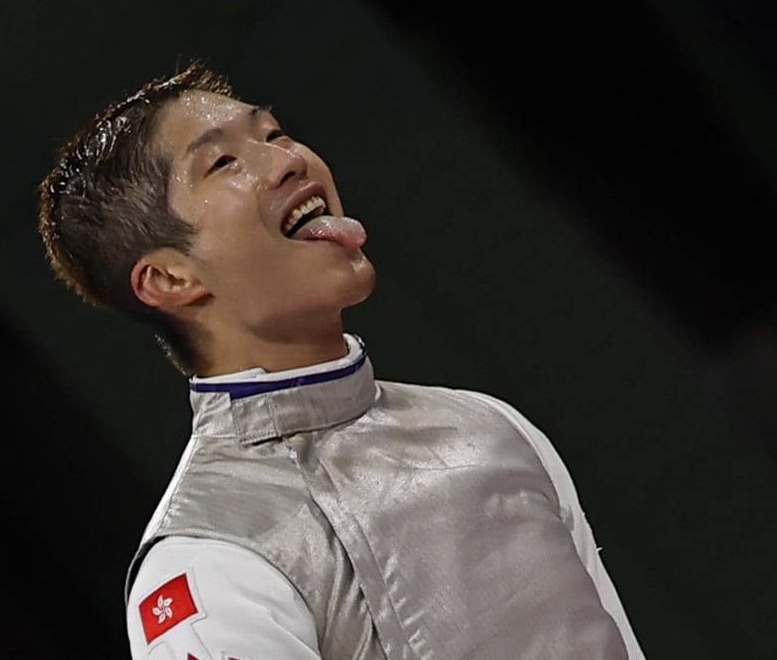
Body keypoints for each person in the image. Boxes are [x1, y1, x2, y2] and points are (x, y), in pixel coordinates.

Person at [37, 59, 646, 660]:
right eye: (223, 162)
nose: (289, 159)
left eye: (274, 134)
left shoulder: (485, 428)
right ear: (170, 278)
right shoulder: (210, 557)